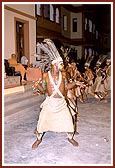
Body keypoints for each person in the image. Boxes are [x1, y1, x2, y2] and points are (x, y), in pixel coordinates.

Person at [32, 39, 84, 149]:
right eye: (60, 64)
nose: (62, 65)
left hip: (61, 103)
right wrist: (38, 86)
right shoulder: (46, 76)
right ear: (54, 64)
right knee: (42, 121)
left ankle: (70, 137)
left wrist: (75, 83)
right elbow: (44, 91)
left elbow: (65, 87)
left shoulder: (64, 75)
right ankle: (38, 139)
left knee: (68, 120)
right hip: (50, 103)